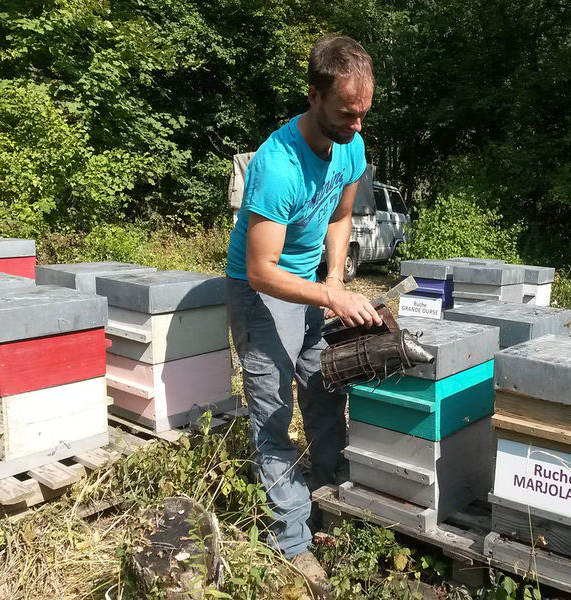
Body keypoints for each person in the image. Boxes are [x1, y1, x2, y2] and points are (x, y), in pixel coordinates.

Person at [224, 36, 381, 597]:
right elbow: (262, 269)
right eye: (346, 114)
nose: (356, 126)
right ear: (314, 95)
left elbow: (341, 218)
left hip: (312, 287)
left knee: (324, 385)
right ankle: (289, 537)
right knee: (272, 410)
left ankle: (328, 487)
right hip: (259, 291)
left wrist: (333, 280)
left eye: (363, 114)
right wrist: (331, 296)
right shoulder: (278, 165)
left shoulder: (351, 146)